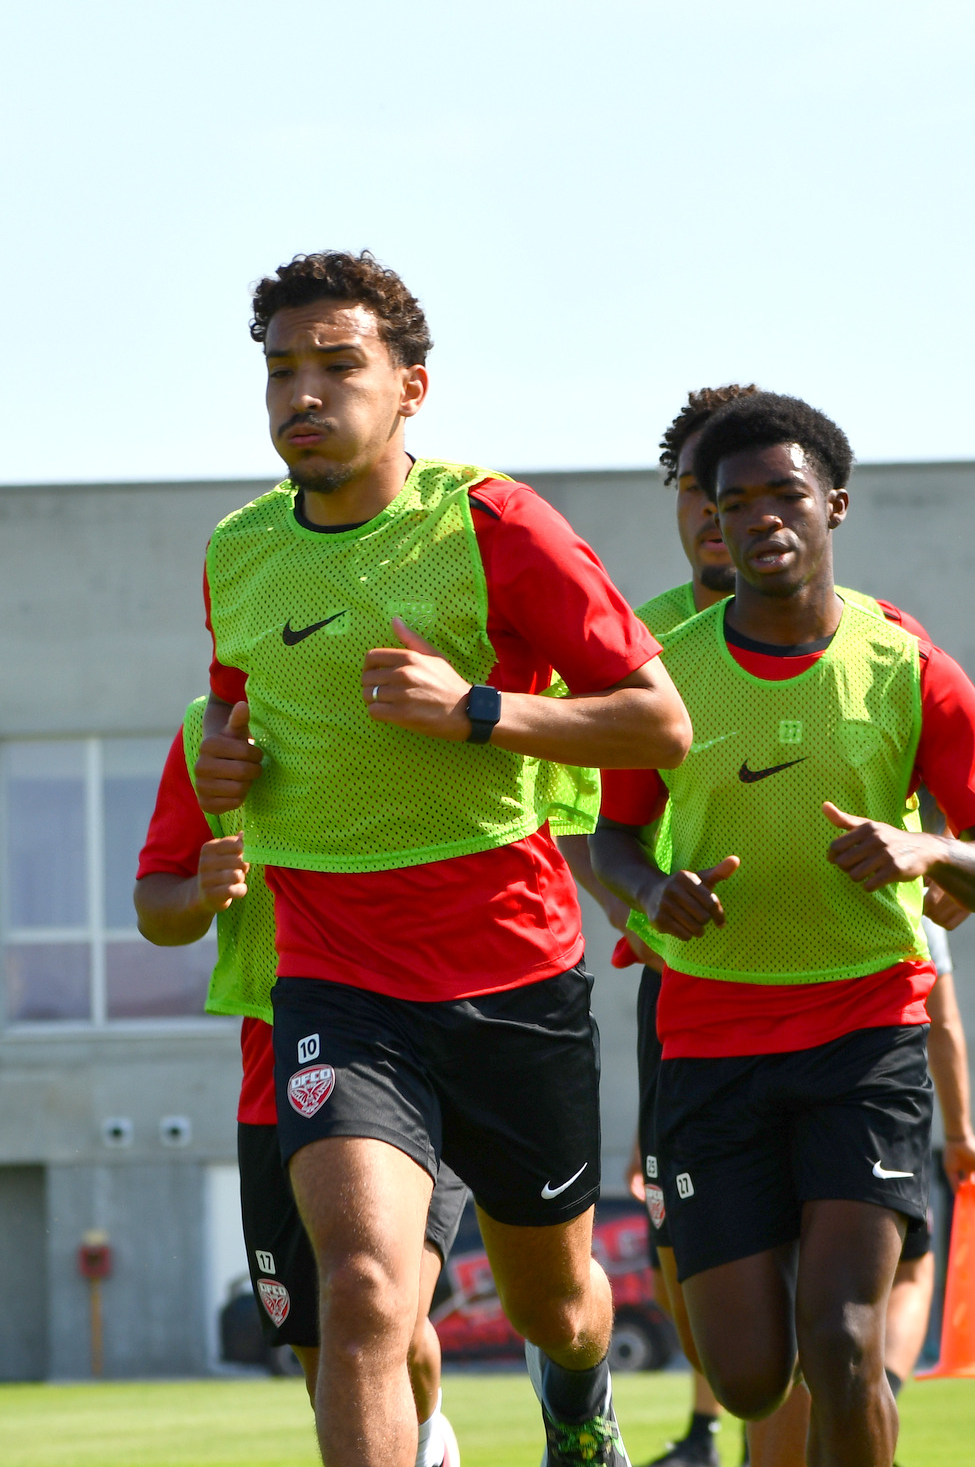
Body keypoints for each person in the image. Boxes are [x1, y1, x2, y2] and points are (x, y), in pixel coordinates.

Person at [192, 250, 692, 1467]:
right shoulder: (238, 551)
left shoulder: (494, 523)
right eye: (280, 371)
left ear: (411, 387)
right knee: (364, 1290)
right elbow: (235, 710)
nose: (303, 395)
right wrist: (224, 761)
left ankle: (578, 1399)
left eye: (336, 365)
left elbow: (658, 722)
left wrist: (475, 709)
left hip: (509, 974)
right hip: (336, 977)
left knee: (553, 1304)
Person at [590, 391, 975, 1467]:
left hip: (863, 1036)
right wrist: (652, 892)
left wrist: (928, 849)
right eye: (733, 500)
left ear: (833, 504)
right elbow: (612, 839)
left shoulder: (907, 666)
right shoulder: (666, 675)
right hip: (709, 1041)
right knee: (750, 1374)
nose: (760, 518)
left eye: (784, 493)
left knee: (841, 1341)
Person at [133, 700, 464, 1467]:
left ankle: (431, 1436)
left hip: (407, 1050)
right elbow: (154, 905)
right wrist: (197, 894)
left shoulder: (415, 700)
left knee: (382, 1311)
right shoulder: (210, 729)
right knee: (327, 1357)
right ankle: (421, 1439)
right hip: (275, 1069)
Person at [745, 905, 975, 1467]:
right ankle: (865, 1411)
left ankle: (859, 1409)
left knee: (799, 1315)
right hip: (863, 1094)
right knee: (896, 1282)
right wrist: (960, 1133)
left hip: (751, 1092)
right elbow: (943, 1020)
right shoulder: (904, 884)